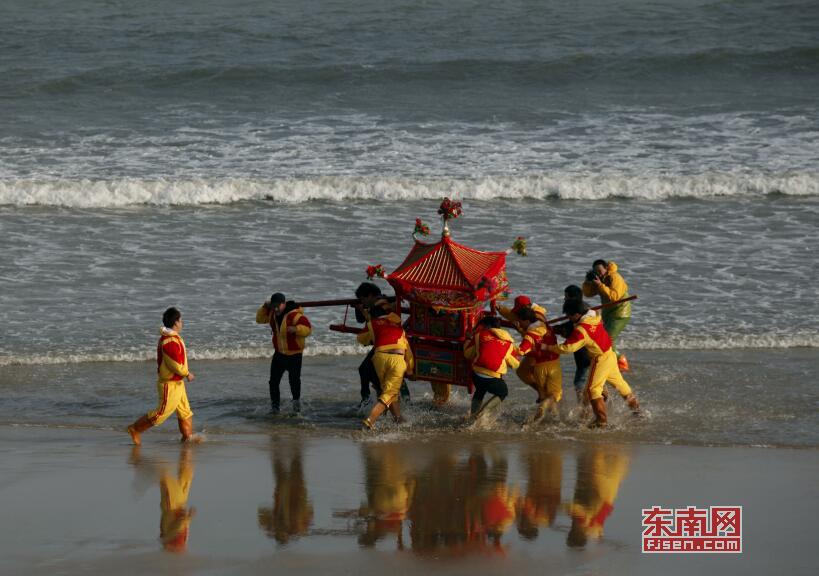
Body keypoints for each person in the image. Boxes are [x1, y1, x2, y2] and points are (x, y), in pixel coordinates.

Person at [544, 300, 640, 428]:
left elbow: (567, 348)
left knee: (592, 390)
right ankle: (638, 412)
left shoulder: (581, 330)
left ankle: (601, 421)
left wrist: (547, 347)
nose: (569, 318)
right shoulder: (595, 316)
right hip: (610, 354)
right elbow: (594, 310)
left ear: (578, 314)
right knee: (621, 385)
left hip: (600, 359)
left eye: (569, 315)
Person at [127, 307, 196, 445]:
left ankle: (187, 437)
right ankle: (134, 429)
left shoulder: (173, 338)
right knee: (160, 414)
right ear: (175, 322)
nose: (182, 323)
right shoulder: (169, 341)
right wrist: (187, 373)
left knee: (185, 412)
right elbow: (174, 365)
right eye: (181, 320)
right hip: (168, 384)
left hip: (178, 383)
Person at [357, 307, 414, 431]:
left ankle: (398, 419)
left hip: (380, 358)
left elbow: (361, 338)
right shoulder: (399, 328)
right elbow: (408, 352)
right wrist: (410, 370)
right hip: (397, 359)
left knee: (388, 391)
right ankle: (370, 420)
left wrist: (372, 337)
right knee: (390, 392)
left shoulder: (372, 323)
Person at [256, 292, 312, 414]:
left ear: (284, 304)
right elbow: (259, 319)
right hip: (279, 354)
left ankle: (296, 406)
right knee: (273, 382)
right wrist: (265, 307)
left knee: (294, 381)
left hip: (295, 355)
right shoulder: (271, 313)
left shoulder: (295, 315)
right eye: (273, 306)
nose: (275, 309)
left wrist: (296, 329)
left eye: (278, 306)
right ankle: (275, 407)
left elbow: (308, 329)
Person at [463, 316, 520, 419]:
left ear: (488, 326)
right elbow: (515, 364)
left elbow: (467, 354)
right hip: (493, 377)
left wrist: (468, 339)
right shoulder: (508, 343)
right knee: (503, 392)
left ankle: (472, 415)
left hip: (476, 375)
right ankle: (482, 413)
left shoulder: (478, 335)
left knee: (480, 390)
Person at [582, 260, 632, 371]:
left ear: (606, 268)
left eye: (600, 271)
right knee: (601, 338)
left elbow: (614, 296)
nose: (599, 274)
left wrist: (600, 285)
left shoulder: (614, 277)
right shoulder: (600, 279)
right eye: (596, 272)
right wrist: (588, 282)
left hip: (620, 312)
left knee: (607, 339)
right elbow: (588, 294)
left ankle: (621, 361)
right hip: (608, 313)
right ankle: (609, 361)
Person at [516, 307, 562, 421]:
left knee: (545, 395)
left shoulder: (530, 335)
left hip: (539, 368)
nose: (519, 324)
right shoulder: (545, 326)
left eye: (520, 321)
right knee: (555, 394)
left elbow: (521, 350)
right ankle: (552, 418)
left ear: (526, 321)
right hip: (553, 365)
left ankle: (544, 418)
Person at [553, 285, 593, 404]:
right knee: (594, 383)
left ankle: (584, 409)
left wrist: (557, 329)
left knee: (579, 383)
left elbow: (570, 332)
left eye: (566, 297)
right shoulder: (586, 310)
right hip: (593, 354)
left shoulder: (579, 315)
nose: (564, 300)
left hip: (585, 355)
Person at [498, 295, 547, 388]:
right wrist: (501, 310)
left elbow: (523, 348)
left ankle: (544, 394)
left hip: (538, 349)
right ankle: (542, 393)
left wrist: (504, 345)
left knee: (531, 373)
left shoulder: (537, 317)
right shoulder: (528, 313)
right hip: (533, 347)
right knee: (522, 372)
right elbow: (515, 317)